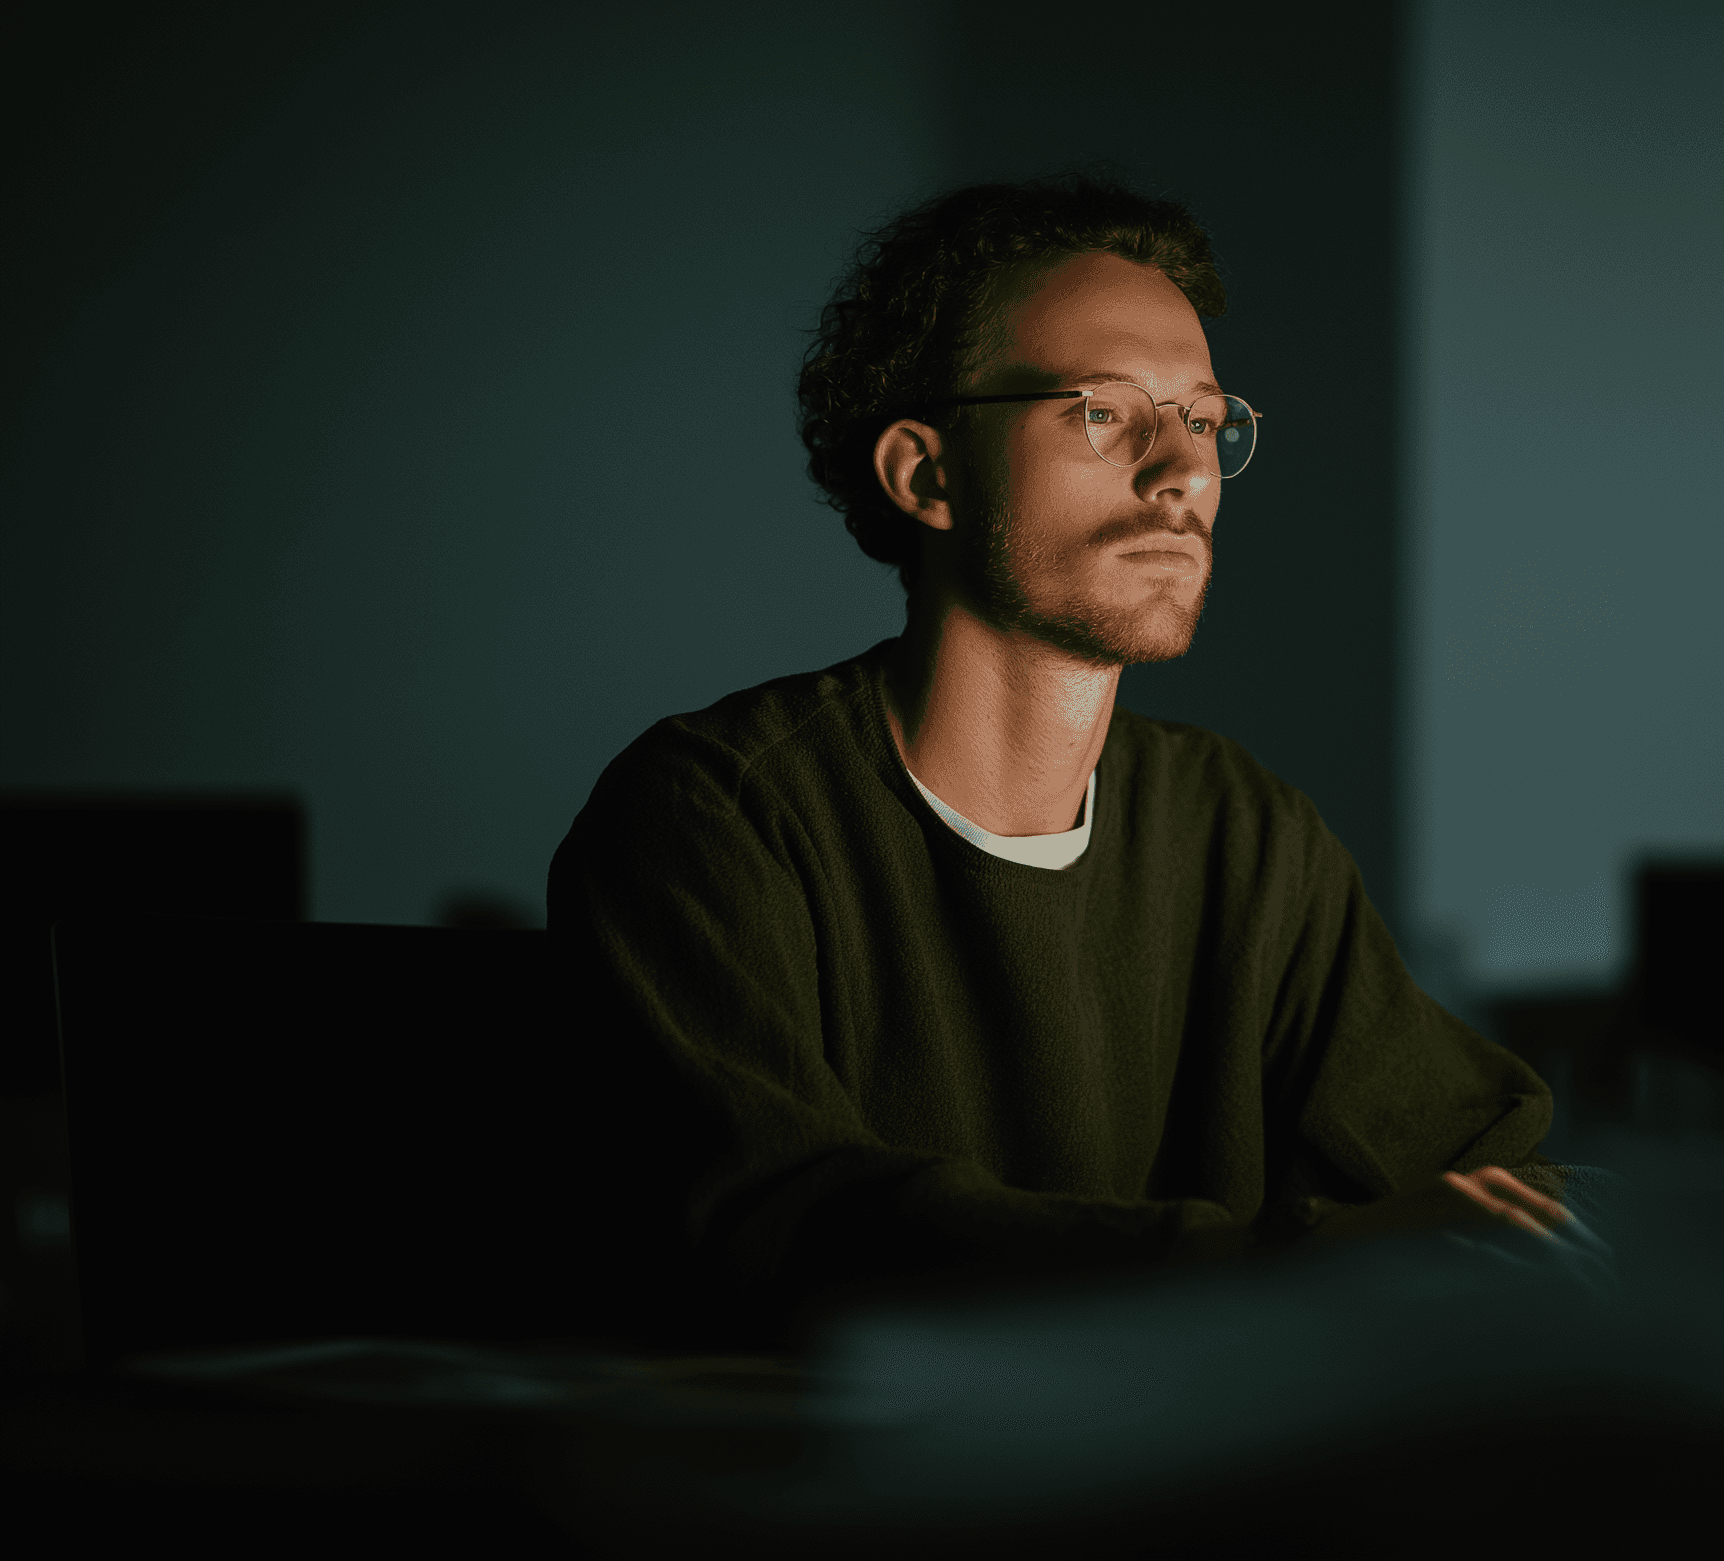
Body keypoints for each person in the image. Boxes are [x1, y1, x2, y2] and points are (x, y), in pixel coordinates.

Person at [548, 175, 1581, 1340]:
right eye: (1104, 413)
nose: (1181, 472)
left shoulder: (1247, 836)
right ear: (926, 473)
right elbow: (784, 1228)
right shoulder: (716, 818)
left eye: (1203, 419)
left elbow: (1487, 1166)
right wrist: (1273, 1268)